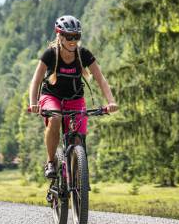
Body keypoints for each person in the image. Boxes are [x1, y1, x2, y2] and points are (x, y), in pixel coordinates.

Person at [27, 14, 117, 179]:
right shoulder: (50, 54)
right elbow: (35, 81)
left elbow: (101, 80)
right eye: (69, 36)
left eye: (76, 36)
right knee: (55, 118)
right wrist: (33, 103)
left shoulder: (83, 54)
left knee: (77, 140)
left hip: (75, 99)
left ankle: (76, 182)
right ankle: (50, 162)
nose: (73, 40)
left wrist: (111, 102)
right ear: (59, 36)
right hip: (51, 97)